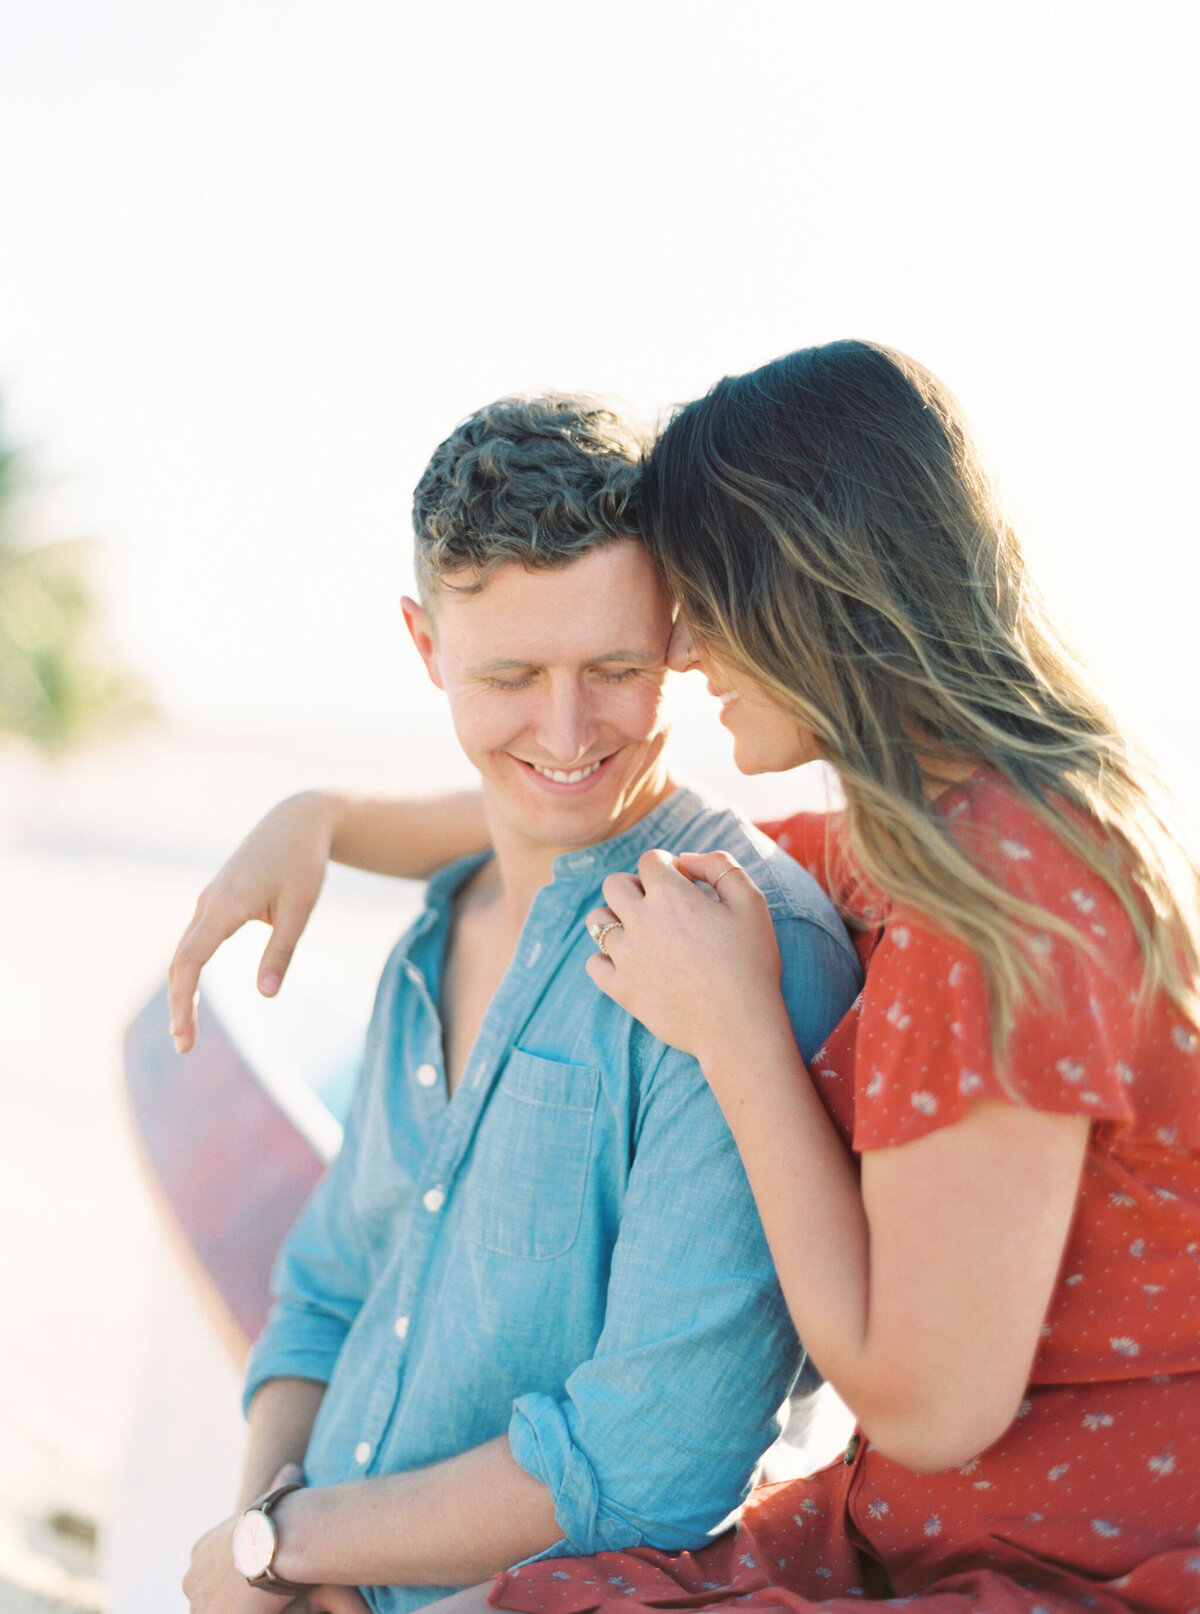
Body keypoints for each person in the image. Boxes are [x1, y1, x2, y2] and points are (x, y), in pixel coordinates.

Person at [176, 342, 1200, 1614]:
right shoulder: (907, 848)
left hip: (1066, 1552)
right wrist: (323, 815)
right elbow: (570, 818)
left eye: (669, 633)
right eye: (509, 676)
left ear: (804, 597)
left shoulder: (973, 899)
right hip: (937, 1517)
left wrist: (743, 1037)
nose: (692, 654)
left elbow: (917, 1405)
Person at [179, 393, 862, 1614]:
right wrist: (264, 1544)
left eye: (614, 668)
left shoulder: (749, 948)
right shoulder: (428, 940)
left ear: (680, 637)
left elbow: (655, 1457)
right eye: (508, 675)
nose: (565, 732)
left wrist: (293, 1547)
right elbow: (328, 1291)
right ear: (425, 647)